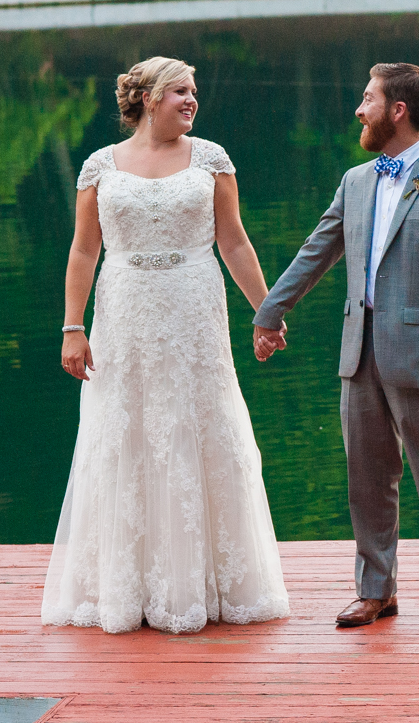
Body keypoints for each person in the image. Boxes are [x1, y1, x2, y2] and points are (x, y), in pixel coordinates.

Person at [41, 56, 290, 634]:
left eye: (194, 91)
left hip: (194, 311)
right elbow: (84, 251)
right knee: (124, 430)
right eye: (180, 90)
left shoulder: (211, 159)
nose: (191, 99)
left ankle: (211, 584)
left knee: (200, 425)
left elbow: (234, 243)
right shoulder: (100, 167)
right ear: (149, 98)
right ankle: (126, 588)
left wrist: (267, 311)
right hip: (124, 312)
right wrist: (72, 327)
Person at [253, 63, 419, 630]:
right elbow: (317, 250)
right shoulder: (357, 181)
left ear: (397, 110)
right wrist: (269, 311)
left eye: (368, 99)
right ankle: (376, 590)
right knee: (367, 477)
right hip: (359, 352)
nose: (359, 108)